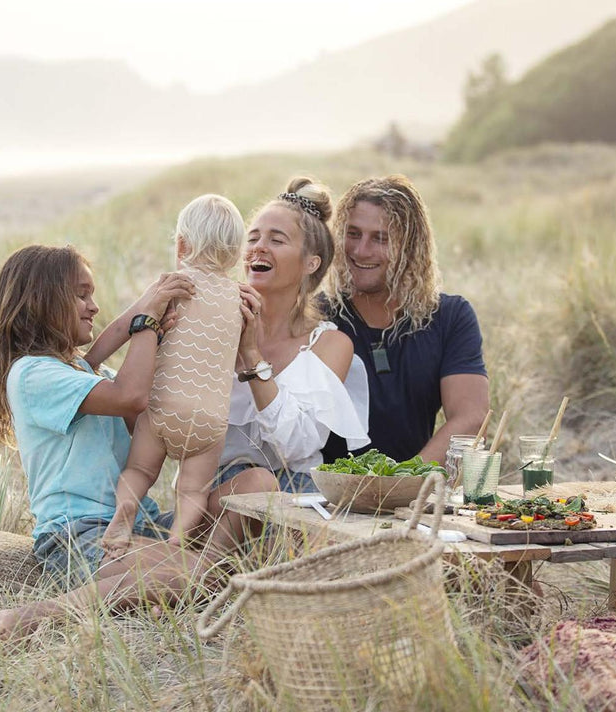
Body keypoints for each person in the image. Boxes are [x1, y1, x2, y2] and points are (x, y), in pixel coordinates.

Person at [0, 244, 276, 641]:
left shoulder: (86, 371)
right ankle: (41, 613)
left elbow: (147, 414)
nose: (93, 306)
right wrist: (147, 323)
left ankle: (183, 577)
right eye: (81, 294)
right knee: (198, 573)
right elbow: (131, 396)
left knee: (258, 486)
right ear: (43, 300)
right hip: (78, 534)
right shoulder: (32, 375)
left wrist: (206, 336)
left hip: (142, 524)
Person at [94, 194, 244, 554]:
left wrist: (89, 360)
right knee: (193, 490)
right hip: (209, 420)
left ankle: (126, 509)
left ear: (181, 245)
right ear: (237, 254)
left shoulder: (171, 286)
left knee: (141, 472)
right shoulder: (242, 297)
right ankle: (177, 540)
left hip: (164, 406)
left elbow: (126, 323)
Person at [208, 175, 369, 501]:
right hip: (212, 492)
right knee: (255, 484)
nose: (258, 247)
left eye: (277, 240)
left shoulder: (330, 345)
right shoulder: (211, 325)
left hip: (299, 491)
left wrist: (251, 355)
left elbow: (296, 445)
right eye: (252, 238)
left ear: (311, 263)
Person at [321, 174, 489, 466]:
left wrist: (404, 480)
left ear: (410, 246)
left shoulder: (450, 317)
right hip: (324, 495)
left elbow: (470, 418)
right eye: (353, 233)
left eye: (380, 238)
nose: (360, 251)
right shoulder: (317, 316)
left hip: (414, 495)